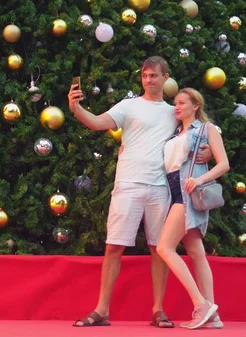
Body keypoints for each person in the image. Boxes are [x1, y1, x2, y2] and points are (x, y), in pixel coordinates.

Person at [67, 56, 212, 328]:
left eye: (154, 75)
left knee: (159, 249)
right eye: (145, 75)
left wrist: (207, 152)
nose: (149, 80)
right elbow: (98, 123)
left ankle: (158, 310)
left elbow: (196, 134)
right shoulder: (128, 105)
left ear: (166, 77)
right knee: (113, 247)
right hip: (128, 184)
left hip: (160, 188)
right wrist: (76, 108)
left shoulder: (173, 112)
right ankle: (102, 310)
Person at [156, 88, 229, 329]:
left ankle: (201, 304)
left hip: (187, 193)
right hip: (174, 190)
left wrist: (199, 179)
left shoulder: (205, 130)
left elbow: (224, 164)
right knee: (196, 252)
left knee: (165, 248)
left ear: (195, 105)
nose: (176, 107)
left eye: (181, 103)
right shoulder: (175, 133)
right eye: (175, 103)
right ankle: (213, 316)